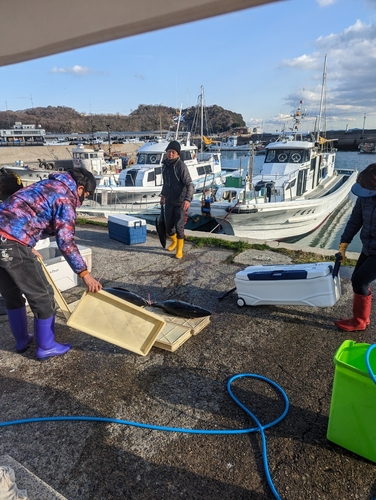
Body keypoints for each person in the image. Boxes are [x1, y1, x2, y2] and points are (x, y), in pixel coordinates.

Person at [0, 168, 102, 360]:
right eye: (86, 196)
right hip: (13, 243)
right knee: (44, 295)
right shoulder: (65, 197)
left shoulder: (45, 185)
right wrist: (84, 274)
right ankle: (46, 346)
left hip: (6, 238)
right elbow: (66, 241)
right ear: (80, 188)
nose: (83, 201)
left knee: (11, 295)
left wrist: (28, 244)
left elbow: (20, 212)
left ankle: (22, 340)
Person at [335, 163, 376, 331]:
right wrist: (344, 244)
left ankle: (359, 321)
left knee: (359, 280)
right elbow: (355, 221)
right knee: (358, 280)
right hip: (368, 246)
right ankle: (362, 318)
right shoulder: (364, 197)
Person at [160, 140, 194, 259]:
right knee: (169, 227)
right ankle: (174, 242)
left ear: (178, 154)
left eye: (173, 152)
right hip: (169, 201)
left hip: (180, 202)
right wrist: (163, 196)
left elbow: (189, 184)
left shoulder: (181, 166)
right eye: (169, 151)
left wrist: (187, 199)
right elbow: (166, 184)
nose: (171, 154)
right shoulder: (164, 167)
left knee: (179, 227)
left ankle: (179, 250)